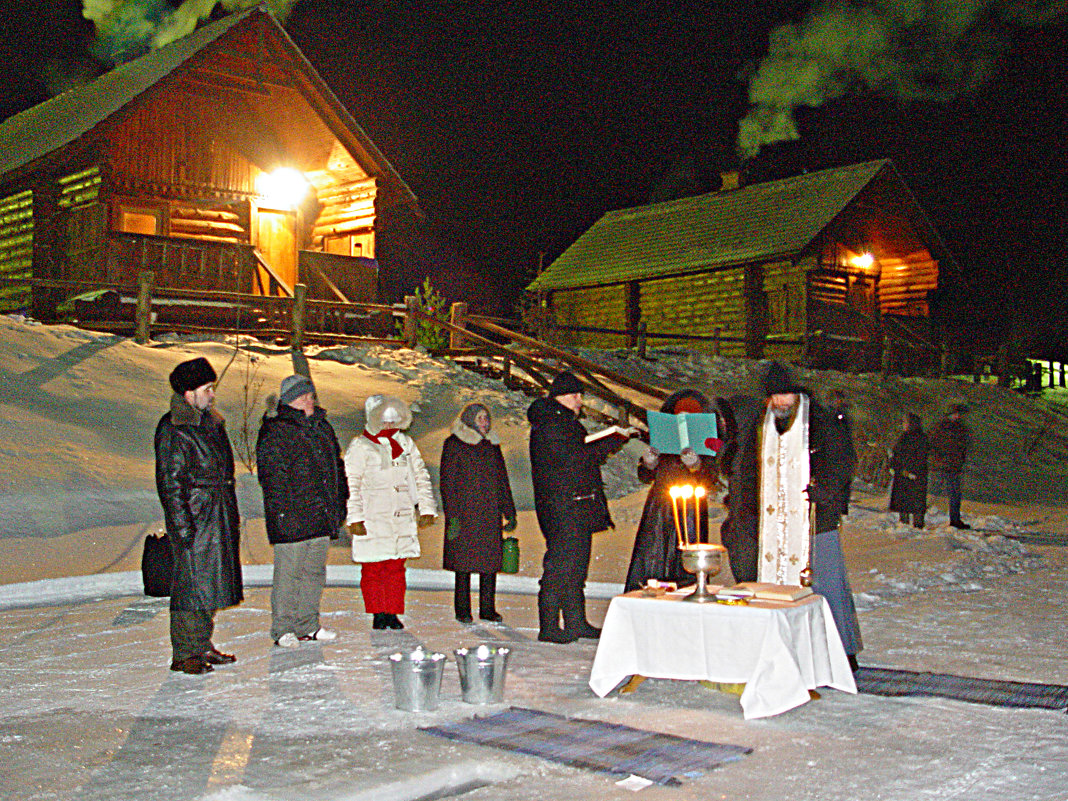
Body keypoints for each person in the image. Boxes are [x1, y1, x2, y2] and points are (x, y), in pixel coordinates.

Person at [721, 361, 862, 668]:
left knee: (824, 586)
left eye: (785, 396)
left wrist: (825, 490)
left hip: (813, 521)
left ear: (797, 394)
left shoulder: (821, 422)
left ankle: (839, 654)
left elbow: (842, 461)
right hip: (769, 525)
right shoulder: (760, 425)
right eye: (774, 397)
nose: (780, 402)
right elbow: (745, 468)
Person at [154, 357, 243, 675]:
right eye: (207, 389)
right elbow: (171, 484)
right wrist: (183, 529)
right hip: (195, 520)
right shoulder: (175, 429)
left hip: (214, 516)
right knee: (191, 587)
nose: (212, 395)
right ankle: (185, 653)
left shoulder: (210, 423)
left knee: (209, 585)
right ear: (189, 393)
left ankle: (201, 645)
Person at [528, 371, 631, 643]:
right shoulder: (551, 424)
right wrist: (610, 442)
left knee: (576, 567)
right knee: (560, 566)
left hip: (575, 504)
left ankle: (575, 622)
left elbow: (578, 456)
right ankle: (549, 626)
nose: (579, 399)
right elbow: (573, 461)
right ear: (560, 396)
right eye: (574, 394)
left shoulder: (564, 423)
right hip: (561, 506)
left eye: (580, 394)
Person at [256, 374, 348, 647]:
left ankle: (308, 624)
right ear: (290, 400)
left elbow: (336, 467)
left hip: (321, 513)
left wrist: (339, 501)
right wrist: (283, 513)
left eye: (310, 395)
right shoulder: (275, 430)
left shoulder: (322, 427)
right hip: (292, 516)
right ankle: (283, 627)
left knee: (314, 573)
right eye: (303, 396)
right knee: (289, 573)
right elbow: (273, 478)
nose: (310, 400)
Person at [344, 394, 436, 630]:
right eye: (384, 421)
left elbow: (420, 475)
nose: (389, 426)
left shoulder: (405, 444)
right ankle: (378, 611)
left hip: (401, 515)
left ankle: (393, 611)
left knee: (396, 567)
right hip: (374, 516)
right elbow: (350, 483)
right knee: (374, 567)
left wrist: (426, 508)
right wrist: (355, 517)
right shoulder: (361, 446)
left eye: (393, 421)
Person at [623, 390, 722, 593]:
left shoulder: (708, 441)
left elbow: (711, 478)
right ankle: (650, 591)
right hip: (660, 504)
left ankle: (688, 591)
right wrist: (649, 464)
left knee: (686, 555)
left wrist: (696, 465)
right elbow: (644, 475)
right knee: (653, 553)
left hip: (691, 505)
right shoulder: (663, 438)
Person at [439, 402, 518, 623]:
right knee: (463, 565)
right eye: (481, 418)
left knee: (489, 564)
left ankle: (487, 608)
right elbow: (447, 483)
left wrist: (509, 510)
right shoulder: (454, 444)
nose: (485, 423)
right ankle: (462, 610)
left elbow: (502, 481)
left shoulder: (492, 446)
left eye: (487, 418)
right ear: (470, 420)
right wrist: (452, 515)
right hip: (465, 514)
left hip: (489, 513)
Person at [929, 402, 971, 529]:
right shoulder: (941, 427)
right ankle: (919, 516)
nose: (957, 416)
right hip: (942, 465)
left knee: (955, 493)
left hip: (954, 466)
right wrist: (939, 458)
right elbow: (933, 445)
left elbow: (963, 446)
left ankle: (955, 519)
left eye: (959, 414)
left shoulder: (961, 428)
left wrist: (961, 459)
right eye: (955, 414)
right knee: (936, 492)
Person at [888, 412, 929, 529]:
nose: (904, 425)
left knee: (916, 501)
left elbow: (921, 457)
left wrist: (912, 470)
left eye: (906, 422)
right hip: (903, 474)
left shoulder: (920, 438)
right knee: (903, 501)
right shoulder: (904, 437)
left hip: (915, 474)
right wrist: (893, 465)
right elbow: (897, 453)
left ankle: (917, 524)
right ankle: (904, 522)